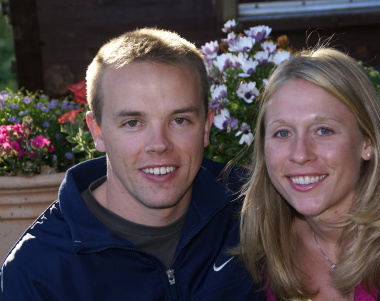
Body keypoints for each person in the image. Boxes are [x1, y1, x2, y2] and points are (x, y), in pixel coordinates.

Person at [0, 28, 264, 300]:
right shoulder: (36, 272)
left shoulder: (254, 207)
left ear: (206, 127)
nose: (159, 144)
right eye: (133, 123)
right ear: (97, 132)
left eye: (180, 120)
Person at [237, 47, 380, 300]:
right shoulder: (268, 246)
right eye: (282, 133)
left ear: (367, 142)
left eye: (323, 130)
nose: (300, 153)